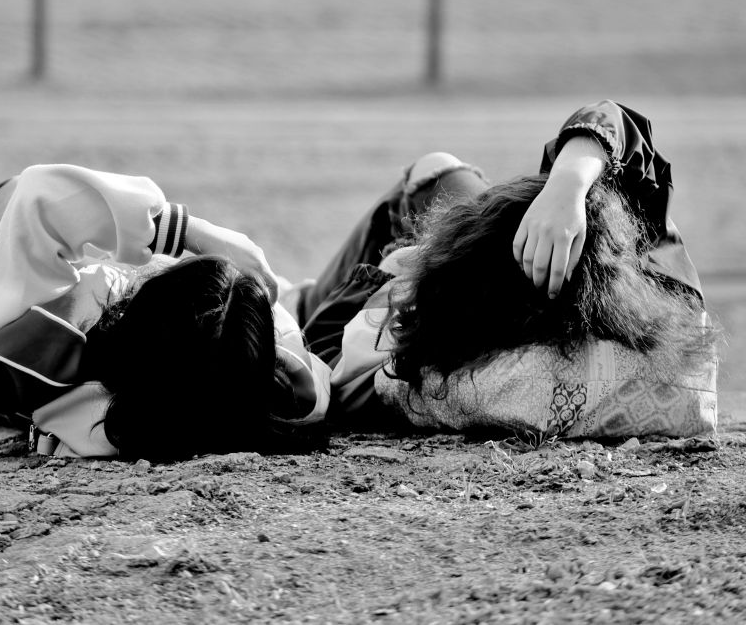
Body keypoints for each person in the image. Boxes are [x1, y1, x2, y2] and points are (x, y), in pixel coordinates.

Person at [296, 100, 719, 439]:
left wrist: (387, 276)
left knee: (428, 176)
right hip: (500, 254)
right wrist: (568, 185)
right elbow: (619, 125)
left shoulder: (446, 367)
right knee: (439, 172)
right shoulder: (659, 292)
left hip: (449, 264)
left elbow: (324, 353)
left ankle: (304, 296)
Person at [0, 165, 329, 461]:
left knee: (8, 197)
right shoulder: (283, 396)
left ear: (136, 327)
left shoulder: (48, 342)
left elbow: (40, 194)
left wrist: (189, 232)